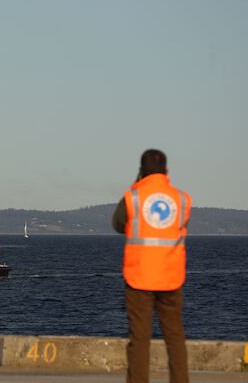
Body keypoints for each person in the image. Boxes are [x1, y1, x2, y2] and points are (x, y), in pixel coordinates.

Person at [112, 149, 192, 383]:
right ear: (166, 171)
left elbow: (118, 223)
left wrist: (137, 184)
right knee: (175, 338)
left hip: (140, 278)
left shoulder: (134, 197)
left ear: (141, 171)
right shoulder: (181, 199)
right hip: (171, 278)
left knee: (140, 339)